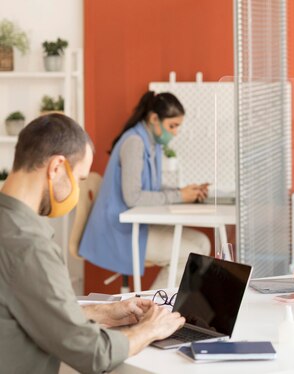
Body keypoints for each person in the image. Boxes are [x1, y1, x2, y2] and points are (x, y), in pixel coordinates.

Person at [0, 114, 185, 373]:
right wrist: (149, 329)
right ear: (56, 168)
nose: (76, 190)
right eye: (78, 179)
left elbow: (31, 308)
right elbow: (93, 354)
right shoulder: (28, 246)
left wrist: (103, 312)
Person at [79, 91, 211, 289]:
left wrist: (183, 192)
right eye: (172, 126)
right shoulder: (135, 143)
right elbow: (133, 197)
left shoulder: (152, 143)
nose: (175, 132)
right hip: (119, 231)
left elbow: (152, 189)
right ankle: (154, 309)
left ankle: (171, 308)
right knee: (188, 254)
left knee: (202, 244)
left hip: (136, 225)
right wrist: (179, 196)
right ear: (154, 119)